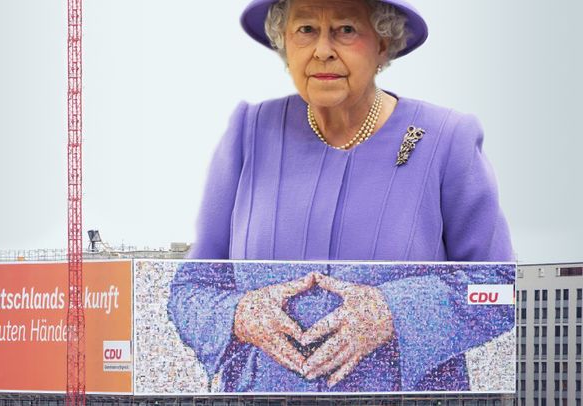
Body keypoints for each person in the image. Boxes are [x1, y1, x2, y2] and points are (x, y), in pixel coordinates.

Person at [167, 0, 514, 393]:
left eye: (346, 29)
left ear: (383, 43)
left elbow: (499, 289)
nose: (323, 49)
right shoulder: (247, 132)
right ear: (285, 42)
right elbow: (190, 291)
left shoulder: (446, 139)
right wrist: (239, 315)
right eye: (306, 30)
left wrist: (394, 313)